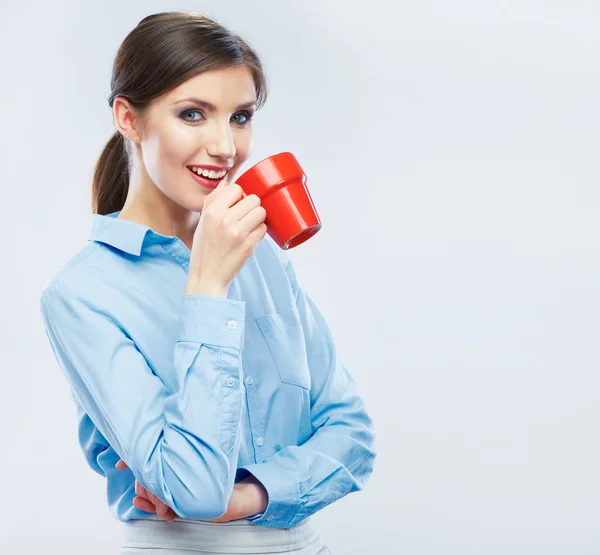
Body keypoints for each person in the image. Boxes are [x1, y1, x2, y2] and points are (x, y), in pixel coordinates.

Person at [39, 11, 376, 555]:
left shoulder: (264, 257)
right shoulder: (81, 296)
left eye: (240, 117)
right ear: (129, 118)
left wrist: (248, 497)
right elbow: (192, 489)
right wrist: (207, 289)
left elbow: (353, 433)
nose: (225, 147)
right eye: (193, 114)